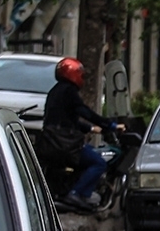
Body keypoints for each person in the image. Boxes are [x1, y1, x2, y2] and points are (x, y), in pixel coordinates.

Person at [41, 57, 124, 213]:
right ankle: (78, 193)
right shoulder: (69, 91)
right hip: (66, 144)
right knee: (99, 163)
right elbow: (84, 112)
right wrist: (110, 125)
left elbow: (65, 118)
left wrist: (91, 128)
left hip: (52, 142)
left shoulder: (55, 91)